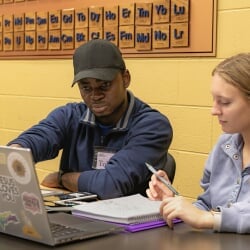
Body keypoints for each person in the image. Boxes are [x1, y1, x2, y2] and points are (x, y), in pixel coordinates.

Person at [8, 39, 173, 199]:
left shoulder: (153, 126)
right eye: (86, 87)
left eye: (104, 85)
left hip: (130, 225)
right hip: (74, 218)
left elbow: (110, 185)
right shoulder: (69, 115)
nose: (95, 95)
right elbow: (37, 139)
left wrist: (62, 179)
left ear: (125, 78)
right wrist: (15, 152)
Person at [146, 52, 250, 234]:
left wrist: (206, 218)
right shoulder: (225, 145)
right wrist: (175, 205)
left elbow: (209, 218)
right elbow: (207, 206)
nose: (214, 110)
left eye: (224, 102)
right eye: (214, 100)